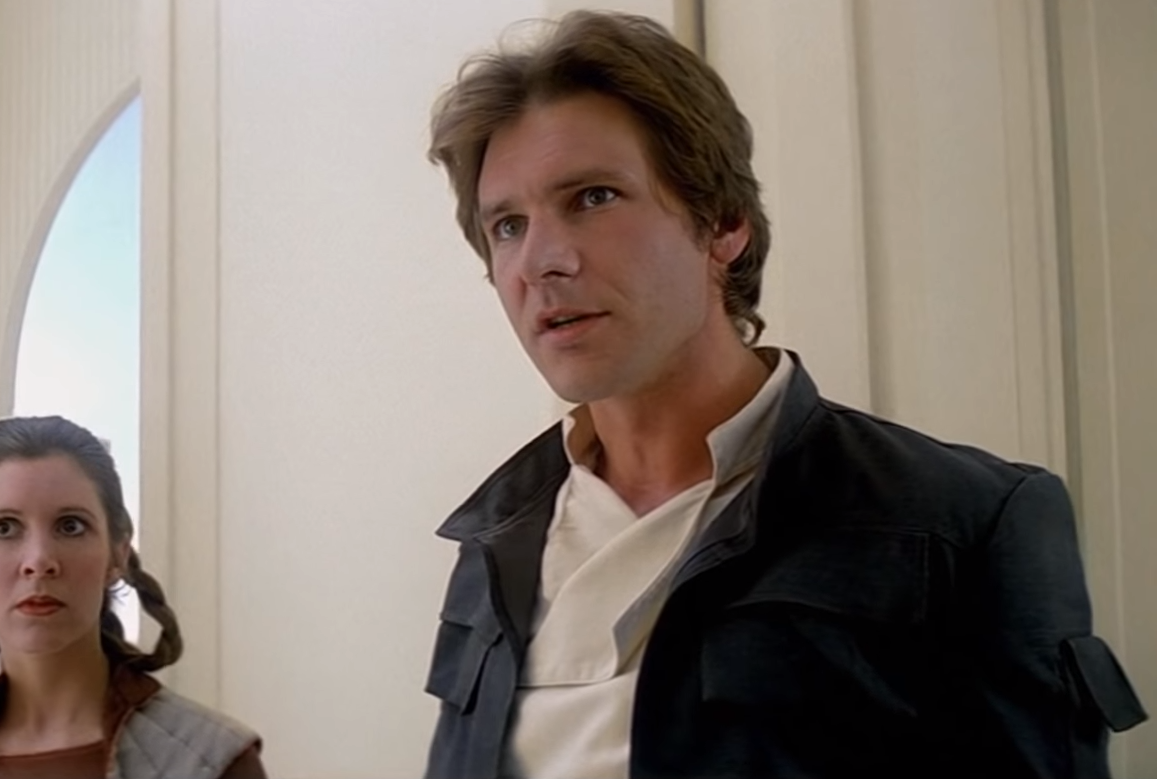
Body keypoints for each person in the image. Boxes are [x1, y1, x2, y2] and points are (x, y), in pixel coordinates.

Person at [422, 10, 1146, 779]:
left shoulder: (959, 524)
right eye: (507, 225)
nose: (542, 260)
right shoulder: (493, 541)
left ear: (722, 223)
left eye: (593, 197)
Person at [0, 415, 266, 779]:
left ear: (118, 554)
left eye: (71, 526)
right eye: (4, 528)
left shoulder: (211, 760)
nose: (39, 561)